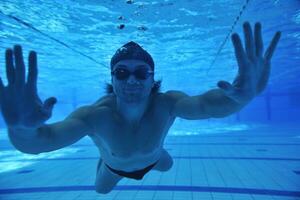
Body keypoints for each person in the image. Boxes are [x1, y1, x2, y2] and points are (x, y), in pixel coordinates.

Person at [0, 22, 280, 194]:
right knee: (101, 191)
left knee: (166, 165)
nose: (131, 80)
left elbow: (206, 105)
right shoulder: (95, 116)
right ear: (112, 79)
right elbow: (41, 142)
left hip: (155, 158)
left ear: (152, 79)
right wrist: (21, 127)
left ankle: (153, 153)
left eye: (141, 73)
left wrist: (240, 97)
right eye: (121, 73)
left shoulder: (168, 104)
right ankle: (105, 159)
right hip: (114, 167)